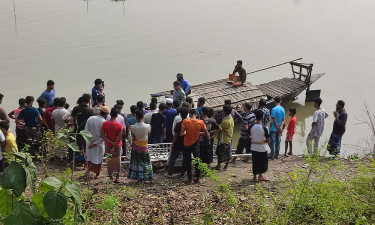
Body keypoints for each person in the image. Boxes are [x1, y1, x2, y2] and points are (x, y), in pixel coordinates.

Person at [180, 109, 209, 184]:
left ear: (189, 114)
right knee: (197, 160)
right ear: (196, 114)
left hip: (187, 144)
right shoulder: (201, 122)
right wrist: (198, 133)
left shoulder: (185, 121)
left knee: (188, 161)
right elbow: (207, 134)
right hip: (196, 144)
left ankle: (190, 179)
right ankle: (198, 178)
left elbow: (181, 134)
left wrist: (187, 132)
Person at [128, 110, 153, 182]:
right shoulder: (147, 126)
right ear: (143, 116)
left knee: (136, 163)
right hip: (144, 146)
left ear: (136, 116)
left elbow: (133, 137)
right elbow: (148, 134)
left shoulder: (132, 127)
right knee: (147, 162)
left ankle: (138, 177)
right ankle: (148, 177)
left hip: (135, 146)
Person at [85, 106, 109, 179]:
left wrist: (91, 141)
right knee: (98, 159)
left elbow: (85, 130)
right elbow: (103, 136)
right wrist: (95, 143)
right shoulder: (104, 122)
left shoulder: (90, 118)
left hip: (89, 142)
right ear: (106, 114)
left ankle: (88, 171)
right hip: (98, 144)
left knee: (89, 157)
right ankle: (97, 174)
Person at [165, 107, 188, 178]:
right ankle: (183, 173)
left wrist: (173, 143)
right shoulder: (189, 124)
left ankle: (170, 173)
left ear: (180, 115)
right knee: (185, 158)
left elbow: (175, 135)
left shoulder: (179, 124)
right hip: (186, 143)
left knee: (172, 158)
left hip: (178, 143)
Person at [101, 108, 123, 182]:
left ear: (110, 114)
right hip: (117, 145)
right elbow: (120, 137)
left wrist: (110, 142)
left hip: (108, 145)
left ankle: (110, 176)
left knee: (109, 161)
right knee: (117, 161)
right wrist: (114, 145)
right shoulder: (119, 125)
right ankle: (117, 177)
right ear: (117, 115)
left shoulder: (105, 124)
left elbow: (103, 136)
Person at [249, 110, 270, 181]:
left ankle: (254, 177)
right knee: (262, 162)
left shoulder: (251, 126)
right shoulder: (264, 128)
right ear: (262, 117)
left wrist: (254, 138)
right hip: (262, 147)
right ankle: (260, 175)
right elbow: (268, 139)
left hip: (254, 147)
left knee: (255, 162)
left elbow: (248, 136)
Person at [215, 105, 234, 170]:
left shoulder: (225, 121)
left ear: (224, 111)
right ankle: (226, 166)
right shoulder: (231, 118)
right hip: (229, 138)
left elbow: (219, 129)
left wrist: (211, 132)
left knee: (220, 153)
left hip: (223, 139)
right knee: (228, 153)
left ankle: (219, 165)